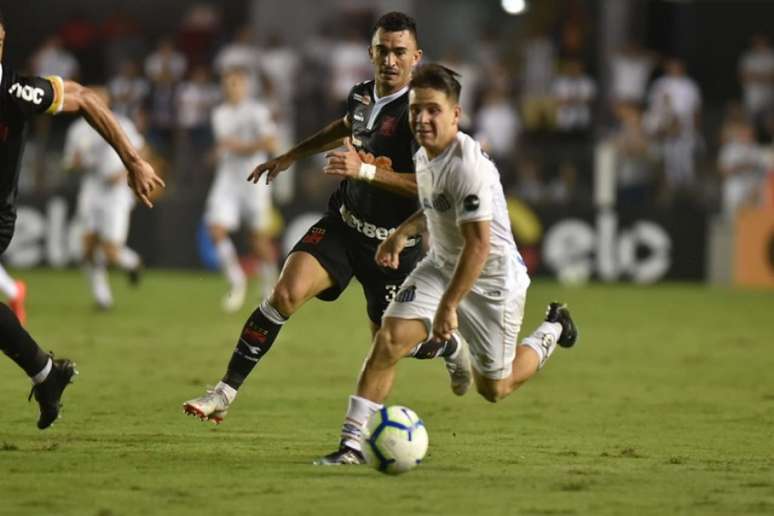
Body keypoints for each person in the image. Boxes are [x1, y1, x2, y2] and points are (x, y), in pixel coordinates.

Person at [182, 12, 471, 424]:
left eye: (399, 52)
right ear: (371, 53)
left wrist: (365, 171)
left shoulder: (422, 115)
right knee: (284, 294)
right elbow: (345, 127)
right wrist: (290, 156)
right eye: (383, 50)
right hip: (345, 224)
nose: (390, 60)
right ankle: (223, 393)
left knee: (394, 346)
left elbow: (432, 188)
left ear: (416, 57)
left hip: (394, 247)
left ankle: (449, 348)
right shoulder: (361, 95)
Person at [315, 64, 579, 465]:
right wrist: (402, 232)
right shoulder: (425, 153)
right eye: (416, 110)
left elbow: (478, 244)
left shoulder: (467, 165)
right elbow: (436, 205)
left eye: (433, 110)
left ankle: (553, 328)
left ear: (455, 115)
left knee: (495, 388)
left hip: (492, 282)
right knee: (388, 340)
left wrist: (449, 306)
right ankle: (351, 445)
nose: (421, 118)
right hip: (441, 265)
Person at [0, 10, 164, 429]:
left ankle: (46, 373)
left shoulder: (14, 90)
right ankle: (47, 374)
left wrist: (133, 161)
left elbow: (87, 98)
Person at [64, 87, 146, 310]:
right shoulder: (78, 130)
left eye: (100, 98)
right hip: (91, 190)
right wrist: (75, 163)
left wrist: (125, 173)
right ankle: (103, 298)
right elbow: (69, 163)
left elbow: (140, 152)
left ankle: (132, 262)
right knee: (87, 247)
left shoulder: (122, 123)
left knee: (110, 250)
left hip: (116, 193)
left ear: (107, 101)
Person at [205, 67, 279, 312]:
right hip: (227, 180)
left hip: (254, 180)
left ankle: (269, 286)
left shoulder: (258, 111)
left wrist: (241, 146)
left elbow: (271, 142)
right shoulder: (220, 114)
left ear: (245, 86)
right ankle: (236, 281)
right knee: (215, 229)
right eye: (227, 84)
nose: (231, 88)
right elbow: (229, 144)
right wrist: (241, 146)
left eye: (235, 83)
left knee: (258, 239)